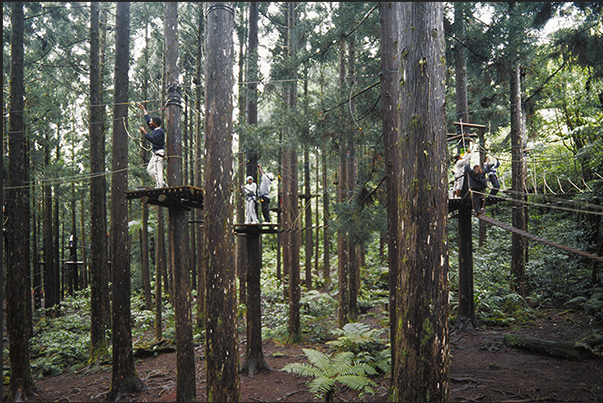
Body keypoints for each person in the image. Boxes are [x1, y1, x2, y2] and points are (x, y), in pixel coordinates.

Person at [138, 103, 167, 188]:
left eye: (151, 121)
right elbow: (147, 119)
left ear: (155, 123)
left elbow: (155, 141)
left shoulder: (160, 131)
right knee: (150, 170)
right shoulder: (155, 129)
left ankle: (160, 186)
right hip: (155, 153)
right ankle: (162, 183)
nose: (149, 122)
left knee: (158, 170)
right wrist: (143, 109)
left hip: (159, 152)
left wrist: (145, 133)